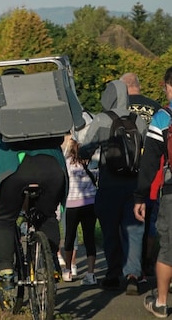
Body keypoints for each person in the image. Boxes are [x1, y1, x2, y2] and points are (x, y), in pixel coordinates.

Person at [0, 67, 66, 291]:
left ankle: (6, 271)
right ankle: (51, 265)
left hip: (13, 171)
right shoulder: (43, 99)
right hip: (51, 169)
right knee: (47, 216)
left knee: (3, 219)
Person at [79, 80, 147, 294]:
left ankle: (112, 274)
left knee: (110, 231)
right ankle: (133, 275)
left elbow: (85, 150)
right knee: (134, 230)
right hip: (135, 184)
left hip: (109, 183)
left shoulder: (101, 119)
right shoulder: (139, 121)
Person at [134, 67, 172, 318]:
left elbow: (149, 163)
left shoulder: (163, 117)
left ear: (168, 86)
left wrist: (140, 196)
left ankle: (160, 302)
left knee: (168, 247)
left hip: (171, 190)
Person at [121, 72, 163, 277]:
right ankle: (147, 262)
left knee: (129, 219)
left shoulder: (118, 109)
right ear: (138, 86)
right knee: (151, 220)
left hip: (126, 172)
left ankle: (130, 266)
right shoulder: (154, 107)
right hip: (153, 171)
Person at [61, 136, 98, 285]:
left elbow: (64, 182)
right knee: (90, 238)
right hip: (90, 203)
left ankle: (68, 270)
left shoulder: (67, 164)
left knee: (69, 237)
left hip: (72, 204)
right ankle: (91, 273)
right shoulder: (91, 163)